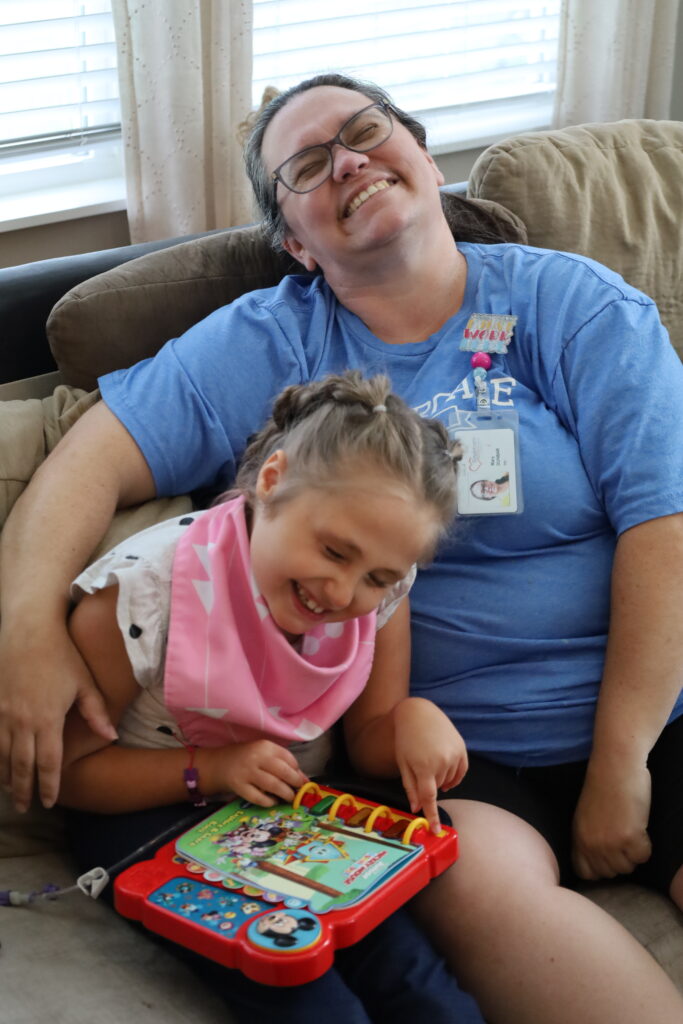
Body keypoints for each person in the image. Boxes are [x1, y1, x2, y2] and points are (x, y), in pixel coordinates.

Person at [1, 70, 683, 1023]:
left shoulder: (573, 306)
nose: (349, 161)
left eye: (366, 131)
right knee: (486, 895)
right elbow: (81, 469)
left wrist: (622, 762)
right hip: (446, 760)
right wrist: (26, 628)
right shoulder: (268, 341)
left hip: (658, 712)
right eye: (309, 166)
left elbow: (666, 528)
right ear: (294, 242)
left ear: (418, 146)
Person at [57, 370, 481, 1024]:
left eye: (375, 576)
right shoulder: (145, 591)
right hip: (149, 811)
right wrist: (210, 768)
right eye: (334, 551)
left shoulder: (385, 589)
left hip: (293, 816)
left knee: (418, 983)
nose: (341, 594)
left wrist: (413, 720)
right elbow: (71, 776)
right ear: (272, 479)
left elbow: (368, 743)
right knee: (309, 1001)